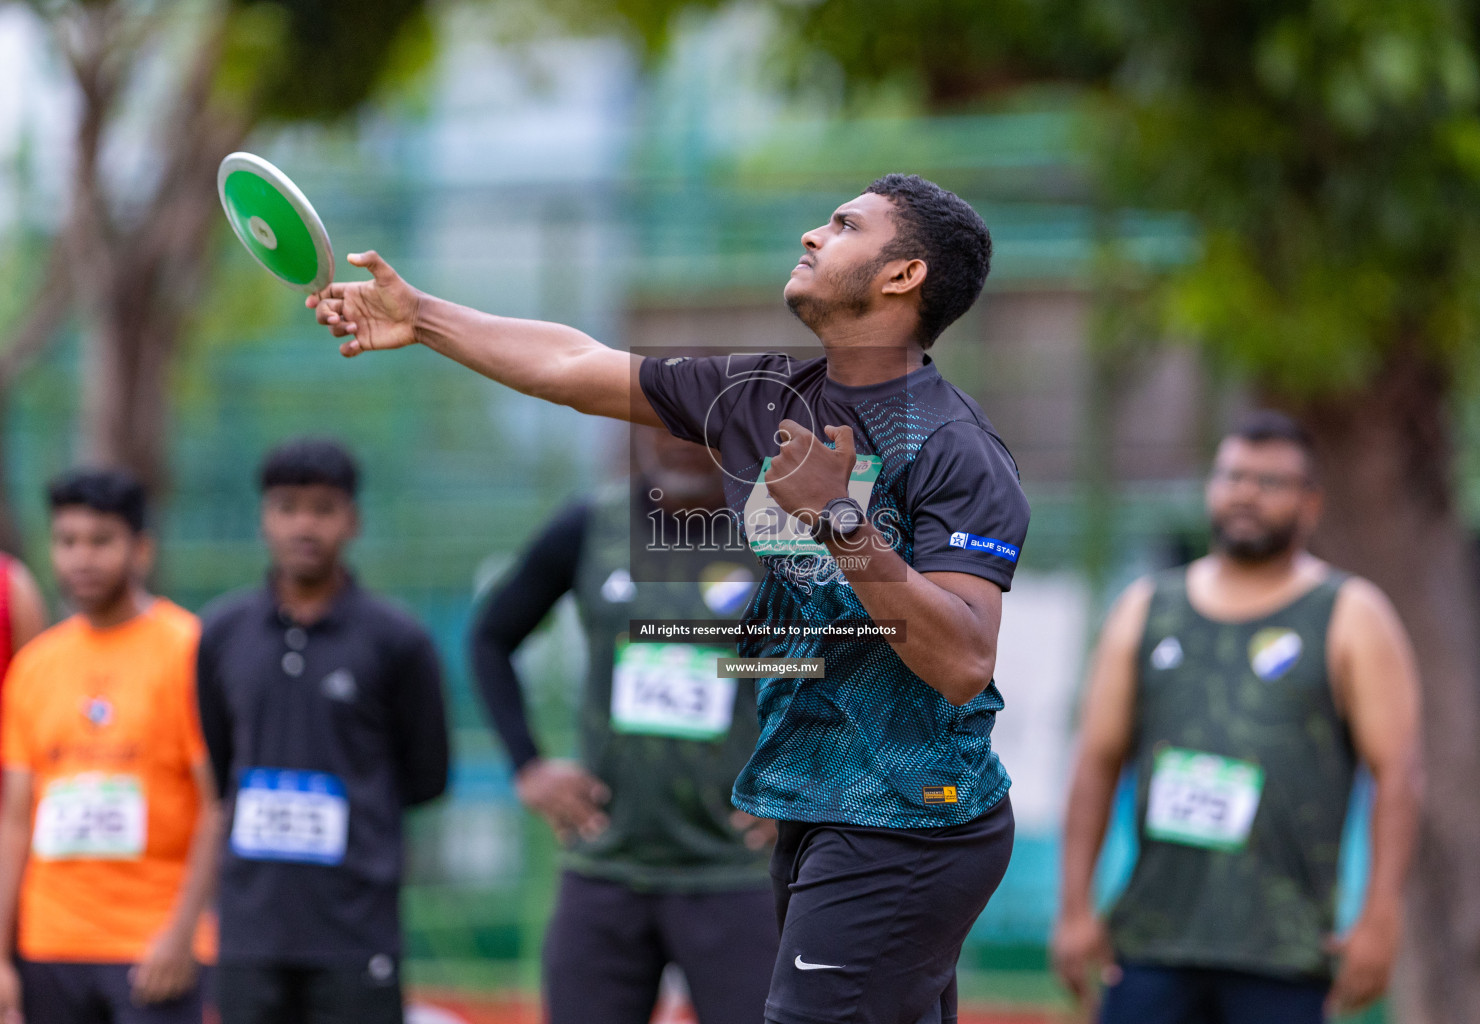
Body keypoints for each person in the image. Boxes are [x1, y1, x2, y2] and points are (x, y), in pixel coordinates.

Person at [309, 172, 1030, 1024]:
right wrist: (422, 318)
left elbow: (961, 661)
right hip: (813, 803)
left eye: (843, 225)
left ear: (902, 276)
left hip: (911, 817)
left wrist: (841, 521)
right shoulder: (763, 397)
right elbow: (572, 364)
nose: (811, 234)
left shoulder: (954, 447)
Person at [1050, 411, 1422, 1024]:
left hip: (1285, 951)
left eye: (1270, 482)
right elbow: (1095, 760)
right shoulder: (1147, 609)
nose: (1246, 492)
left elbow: (1399, 774)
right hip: (1152, 943)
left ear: (1311, 504)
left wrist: (1380, 920)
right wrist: (1073, 909)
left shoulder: (1350, 614)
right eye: (1232, 475)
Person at [471, 426, 777, 1024]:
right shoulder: (592, 526)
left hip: (736, 868)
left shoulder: (780, 538)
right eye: (667, 421)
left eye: (704, 425)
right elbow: (490, 637)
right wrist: (527, 765)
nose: (683, 439)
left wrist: (805, 777)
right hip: (606, 865)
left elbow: (844, 658)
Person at [196, 438, 450, 1024]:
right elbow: (220, 762)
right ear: (263, 518)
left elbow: (426, 776)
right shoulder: (221, 633)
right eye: (287, 507)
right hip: (248, 930)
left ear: (352, 520)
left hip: (355, 928)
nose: (303, 525)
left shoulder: (397, 641)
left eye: (322, 508)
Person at [0, 468, 220, 1024]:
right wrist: (2, 955)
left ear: (140, 549)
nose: (82, 559)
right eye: (67, 541)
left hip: (151, 948)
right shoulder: (34, 666)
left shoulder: (188, 651)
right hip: (48, 946)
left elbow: (218, 804)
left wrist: (182, 936)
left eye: (101, 541)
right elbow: (16, 819)